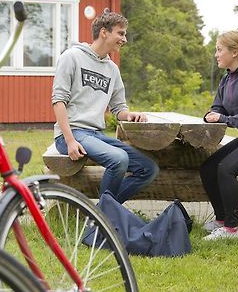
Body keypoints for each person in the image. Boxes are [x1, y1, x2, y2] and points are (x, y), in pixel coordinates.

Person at [52, 11, 159, 204]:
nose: (124, 39)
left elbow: (119, 110)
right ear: (104, 32)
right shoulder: (72, 57)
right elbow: (58, 100)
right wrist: (69, 141)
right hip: (72, 132)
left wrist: (130, 115)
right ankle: (103, 219)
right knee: (118, 159)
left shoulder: (112, 69)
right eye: (120, 33)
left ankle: (103, 213)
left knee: (148, 168)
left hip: (96, 134)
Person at [201, 30, 238, 240]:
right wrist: (211, 115)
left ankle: (232, 229)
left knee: (226, 169)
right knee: (208, 168)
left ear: (235, 52)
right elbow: (217, 107)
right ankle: (221, 221)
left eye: (219, 49)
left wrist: (226, 120)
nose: (216, 54)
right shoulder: (227, 78)